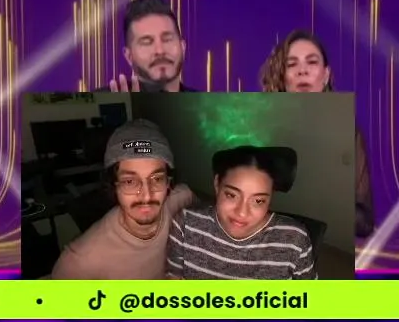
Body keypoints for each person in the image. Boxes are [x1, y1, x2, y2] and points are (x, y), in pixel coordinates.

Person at [260, 29, 375, 238]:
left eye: (312, 62)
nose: (302, 70)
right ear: (282, 77)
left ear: (326, 75)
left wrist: (326, 199)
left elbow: (364, 222)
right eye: (291, 64)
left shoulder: (347, 130)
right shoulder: (264, 127)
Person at [50, 119, 194, 279]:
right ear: (113, 185)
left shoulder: (183, 199)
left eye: (157, 179)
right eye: (130, 182)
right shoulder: (79, 263)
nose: (146, 195)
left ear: (168, 182)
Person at [167, 145, 316, 279]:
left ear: (271, 197)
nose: (242, 213)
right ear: (217, 184)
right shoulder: (186, 223)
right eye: (231, 195)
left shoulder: (294, 240)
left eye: (258, 201)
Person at [109, 0, 196, 92]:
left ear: (183, 47)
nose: (160, 51)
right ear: (129, 56)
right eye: (147, 43)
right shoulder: (103, 99)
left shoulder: (204, 101)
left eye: (167, 39)